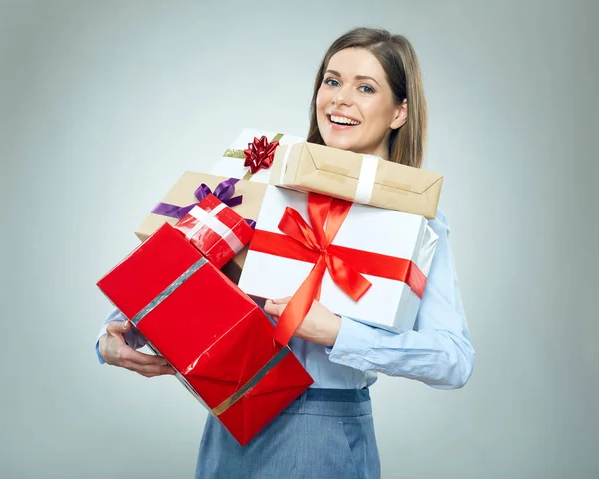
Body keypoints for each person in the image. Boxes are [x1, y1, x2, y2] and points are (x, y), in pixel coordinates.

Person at [96, 27, 475, 478]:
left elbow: (453, 358)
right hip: (232, 418)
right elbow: (180, 274)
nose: (340, 99)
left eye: (365, 87)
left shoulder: (416, 220)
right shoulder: (265, 183)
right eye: (332, 81)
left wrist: (338, 333)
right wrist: (114, 339)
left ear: (399, 112)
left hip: (324, 435)